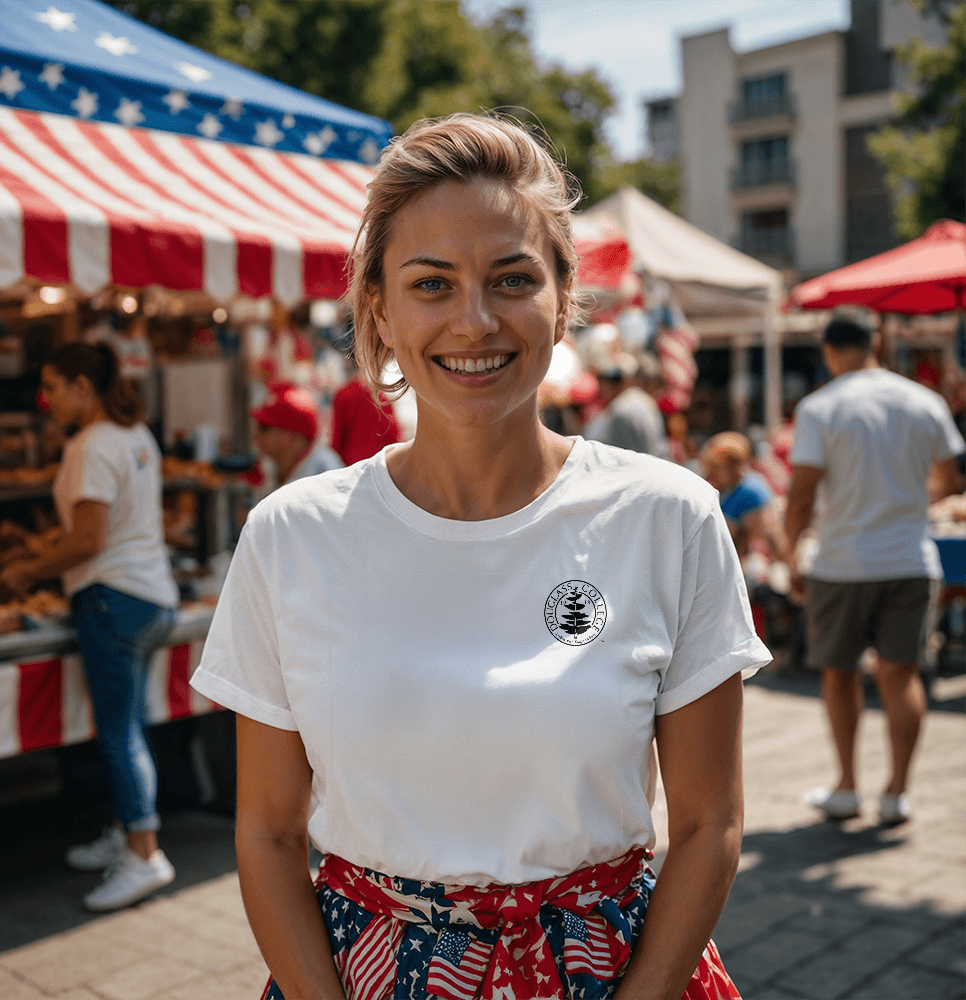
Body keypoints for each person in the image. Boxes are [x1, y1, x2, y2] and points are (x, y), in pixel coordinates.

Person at [190, 113, 769, 1000]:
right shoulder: (289, 537)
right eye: (431, 283)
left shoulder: (670, 517)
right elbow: (267, 834)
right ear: (378, 307)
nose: (474, 320)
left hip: (620, 974)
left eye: (511, 279)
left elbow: (707, 823)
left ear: (563, 299)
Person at [0, 342, 179, 911]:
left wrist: (29, 568)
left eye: (53, 385)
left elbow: (88, 540)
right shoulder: (136, 436)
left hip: (112, 600)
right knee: (131, 725)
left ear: (83, 386)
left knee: (118, 732)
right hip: (151, 598)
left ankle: (144, 853)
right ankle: (127, 831)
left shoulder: (90, 445)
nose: (46, 398)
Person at [785, 312, 965, 825]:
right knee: (902, 675)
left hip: (842, 561)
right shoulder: (923, 400)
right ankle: (896, 792)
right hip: (911, 557)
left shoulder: (821, 408)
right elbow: (948, 480)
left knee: (839, 676)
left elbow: (800, 496)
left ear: (828, 350)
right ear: (878, 342)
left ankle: (846, 785)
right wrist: (905, 502)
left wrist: (790, 553)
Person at [702, 431, 789, 565]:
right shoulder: (717, 488)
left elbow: (772, 536)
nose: (711, 473)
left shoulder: (751, 489)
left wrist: (789, 567)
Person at [584, 345, 671, 459]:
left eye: (617, 380)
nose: (609, 385)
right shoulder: (642, 400)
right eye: (606, 379)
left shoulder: (623, 408)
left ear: (630, 379)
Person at [251, 384, 343, 488]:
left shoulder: (326, 472)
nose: (255, 435)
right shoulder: (273, 468)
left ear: (289, 436)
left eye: (264, 427)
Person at [330, 367, 402, 466]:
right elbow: (394, 435)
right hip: (377, 463)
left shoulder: (342, 395)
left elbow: (337, 437)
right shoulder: (380, 396)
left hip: (350, 464)